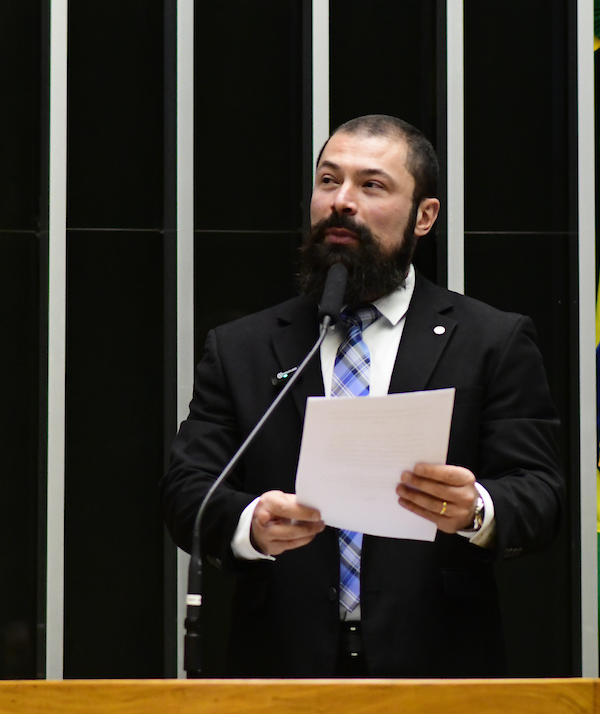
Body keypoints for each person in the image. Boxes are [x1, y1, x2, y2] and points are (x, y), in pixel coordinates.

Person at [160, 114, 563, 678]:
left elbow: (540, 493)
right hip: (278, 668)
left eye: (371, 185)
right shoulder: (243, 347)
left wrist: (476, 510)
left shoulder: (491, 340)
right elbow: (187, 493)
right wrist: (251, 523)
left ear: (425, 216)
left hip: (438, 669)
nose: (341, 201)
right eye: (328, 181)